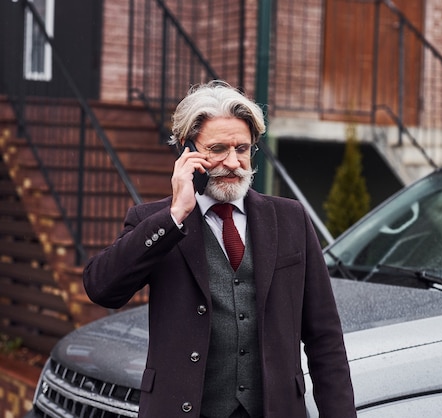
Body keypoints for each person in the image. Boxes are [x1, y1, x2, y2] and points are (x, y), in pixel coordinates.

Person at [83, 81, 357, 418]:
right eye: (218, 149)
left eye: (242, 149)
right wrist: (174, 215)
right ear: (188, 150)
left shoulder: (291, 219)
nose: (233, 162)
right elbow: (101, 288)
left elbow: (325, 338)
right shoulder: (154, 222)